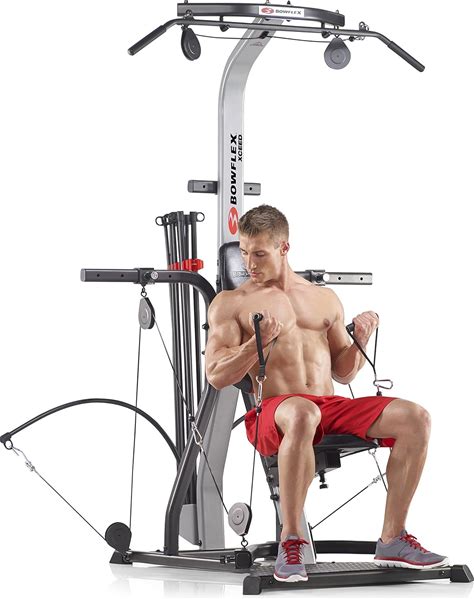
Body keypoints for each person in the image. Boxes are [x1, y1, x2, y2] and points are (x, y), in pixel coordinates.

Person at [205, 204, 448, 583]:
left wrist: (360, 339)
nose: (249, 264)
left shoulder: (324, 299)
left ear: (284, 248)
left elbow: (343, 371)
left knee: (416, 418)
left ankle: (393, 539)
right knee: (304, 412)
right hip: (276, 410)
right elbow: (216, 375)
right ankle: (291, 541)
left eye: (260, 254)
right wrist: (256, 345)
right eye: (245, 252)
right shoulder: (232, 303)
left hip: (329, 406)